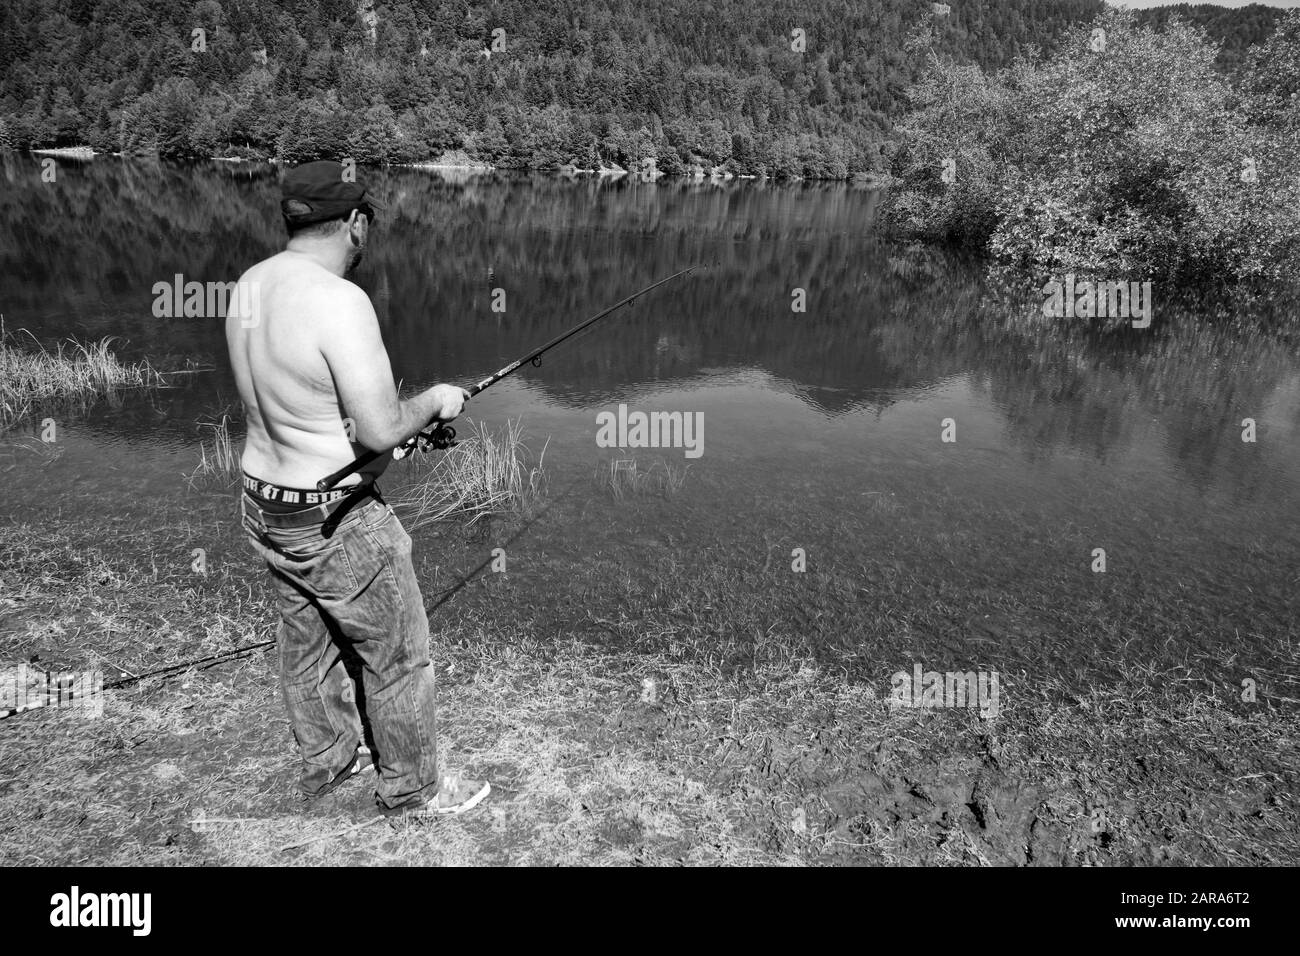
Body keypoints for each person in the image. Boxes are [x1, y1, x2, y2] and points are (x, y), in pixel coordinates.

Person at [225, 160, 489, 816]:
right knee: (397, 655)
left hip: (264, 502)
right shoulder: (340, 301)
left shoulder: (251, 284)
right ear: (355, 224)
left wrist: (388, 442)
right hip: (335, 517)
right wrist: (435, 400)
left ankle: (328, 764)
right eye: (366, 219)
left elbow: (306, 411)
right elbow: (378, 426)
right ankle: (415, 788)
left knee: (306, 645)